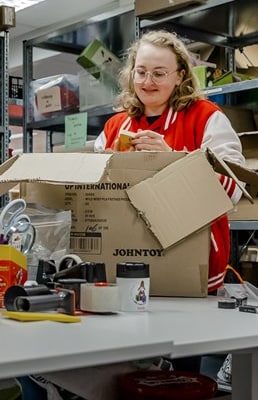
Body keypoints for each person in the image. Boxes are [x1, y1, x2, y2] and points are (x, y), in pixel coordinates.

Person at [94, 30, 245, 293]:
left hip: (190, 261)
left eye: (159, 73)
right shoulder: (114, 126)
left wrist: (173, 158)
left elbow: (233, 189)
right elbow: (91, 194)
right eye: (140, 72)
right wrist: (112, 163)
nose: (147, 81)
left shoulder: (206, 117)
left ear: (180, 76)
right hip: (122, 257)